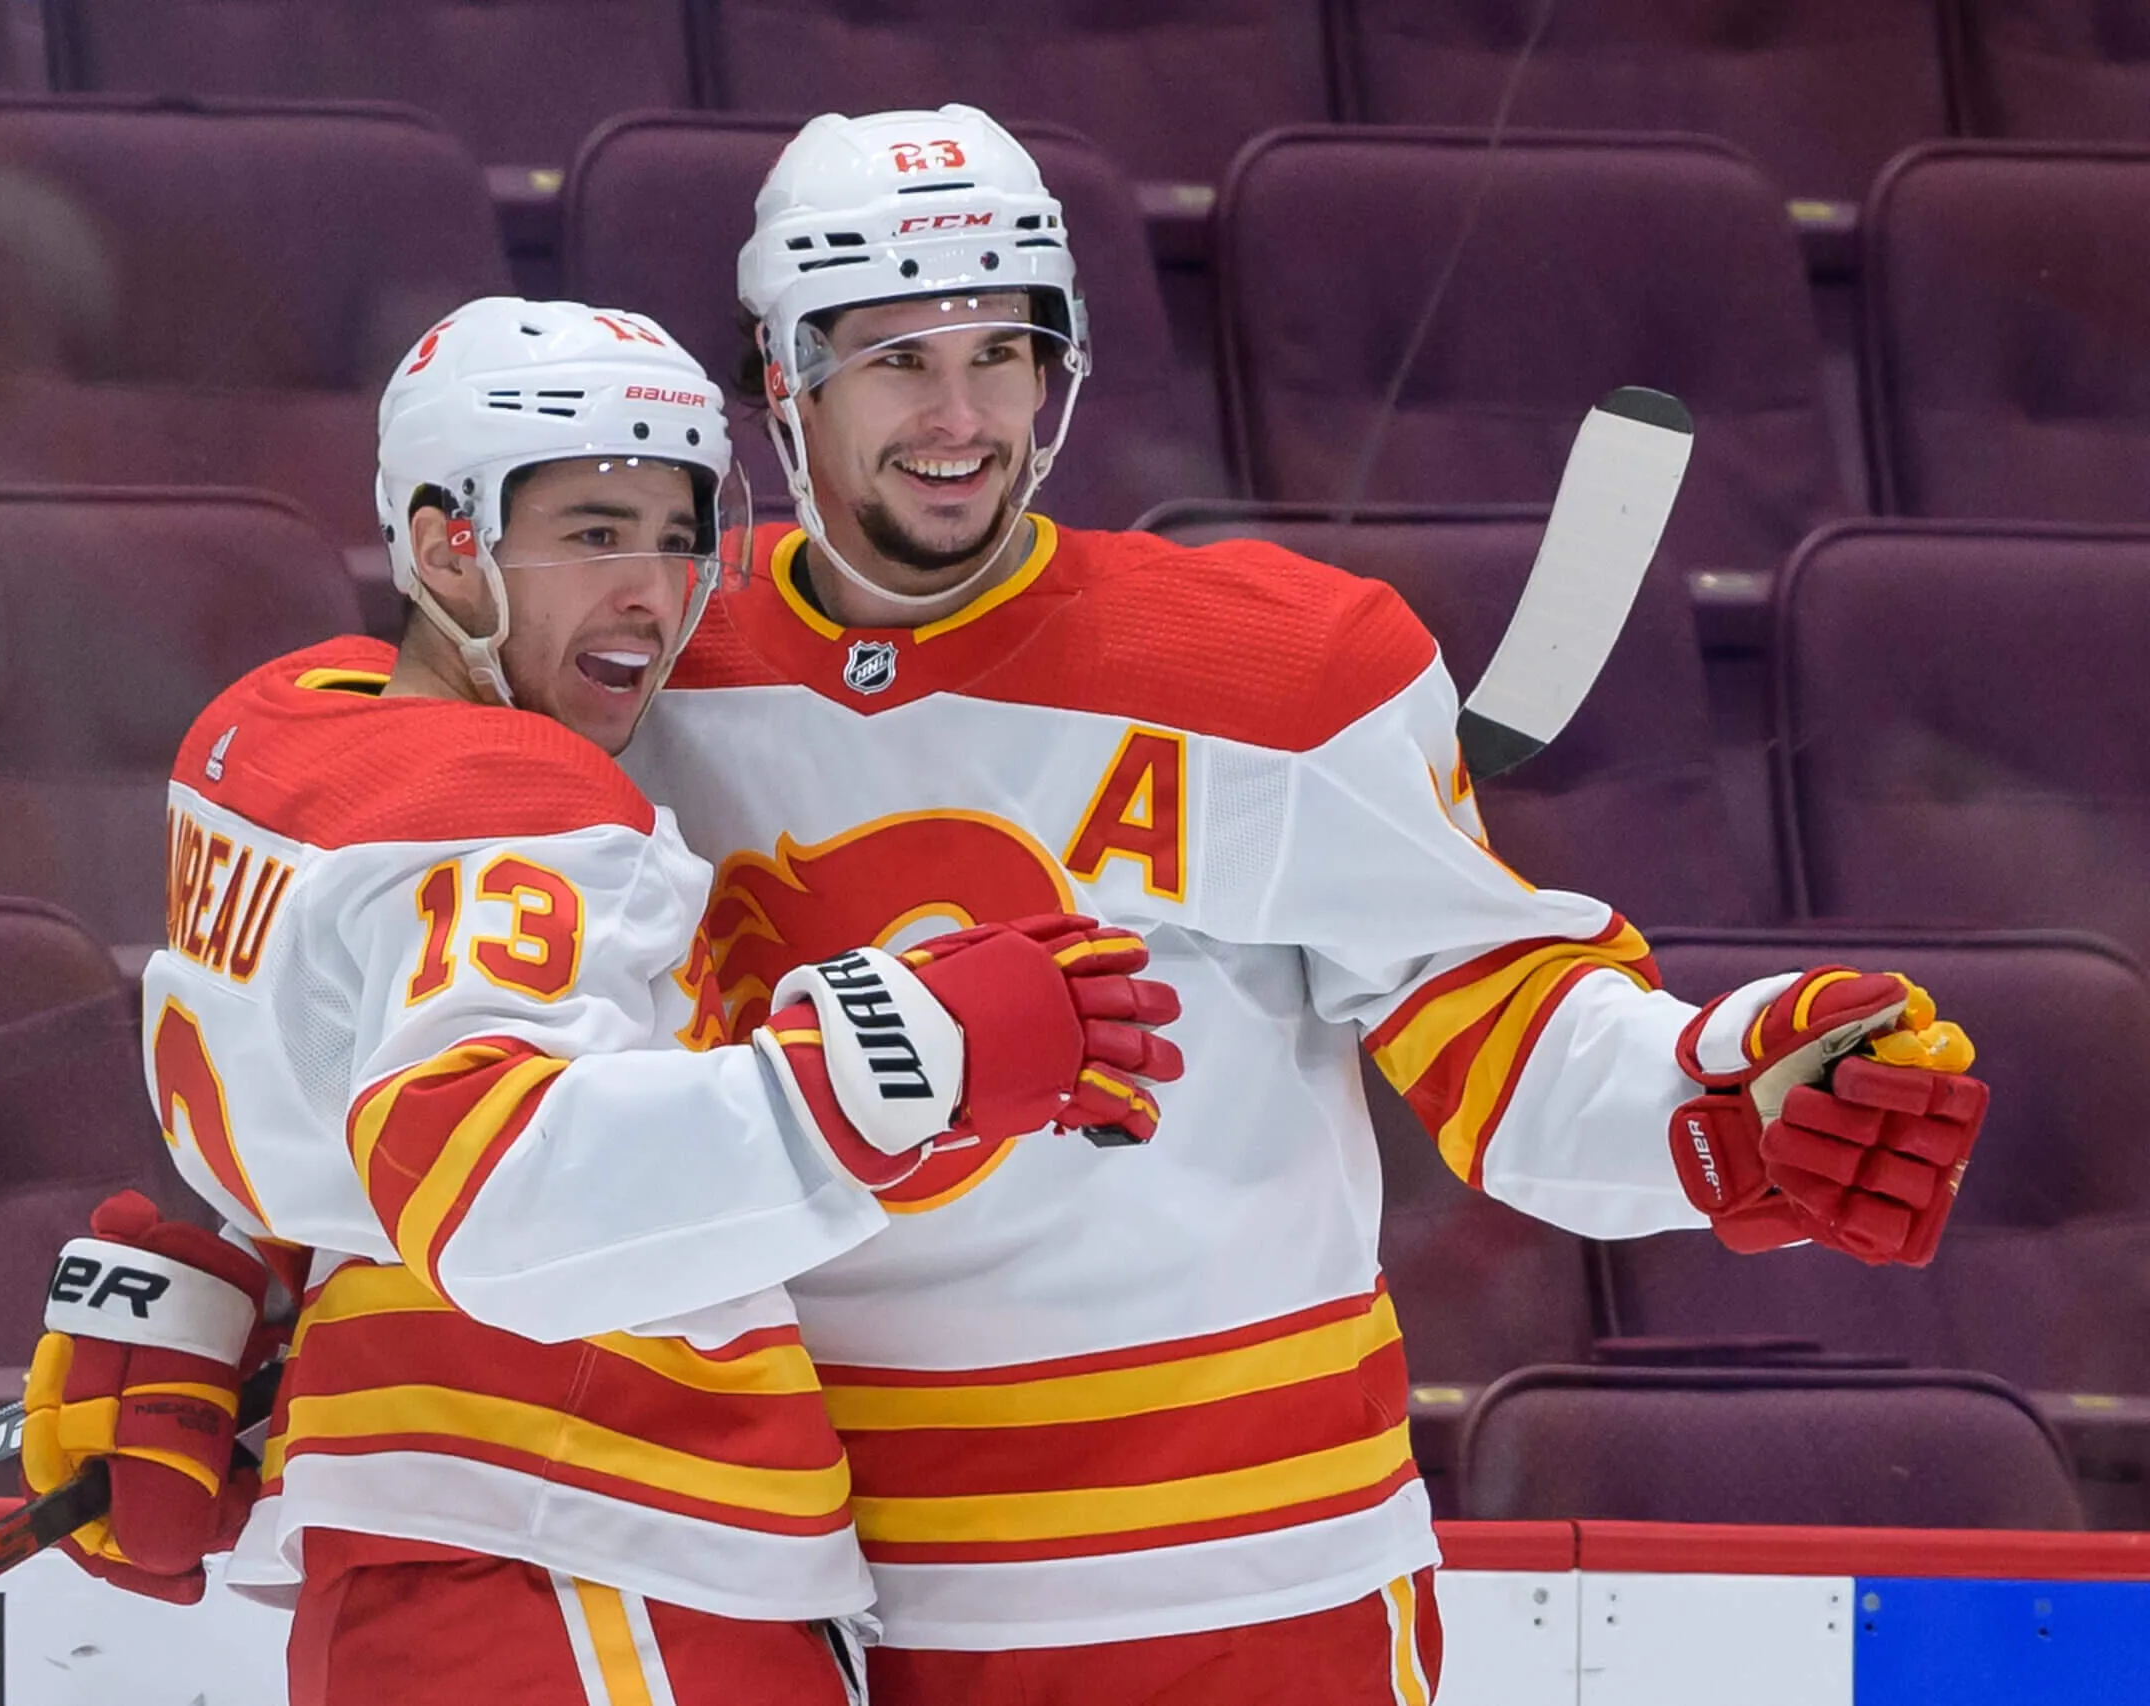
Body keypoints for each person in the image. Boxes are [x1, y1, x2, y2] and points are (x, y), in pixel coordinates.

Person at [612, 105, 1993, 1705]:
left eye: (1004, 348)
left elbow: (1505, 1022)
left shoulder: (1278, 670)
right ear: (786, 372)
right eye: (899, 356)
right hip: (810, 1593)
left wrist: (1719, 1089)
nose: (962, 410)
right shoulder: (650, 677)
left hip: (1247, 1586)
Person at [17, 296, 1184, 1706]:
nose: (656, 587)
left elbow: (369, 1111)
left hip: (441, 1568)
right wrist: (903, 1058)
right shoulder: (523, 805)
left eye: (680, 530)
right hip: (587, 1565)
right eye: (590, 533)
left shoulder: (293, 730)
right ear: (448, 542)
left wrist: (249, 1291)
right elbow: (498, 1176)